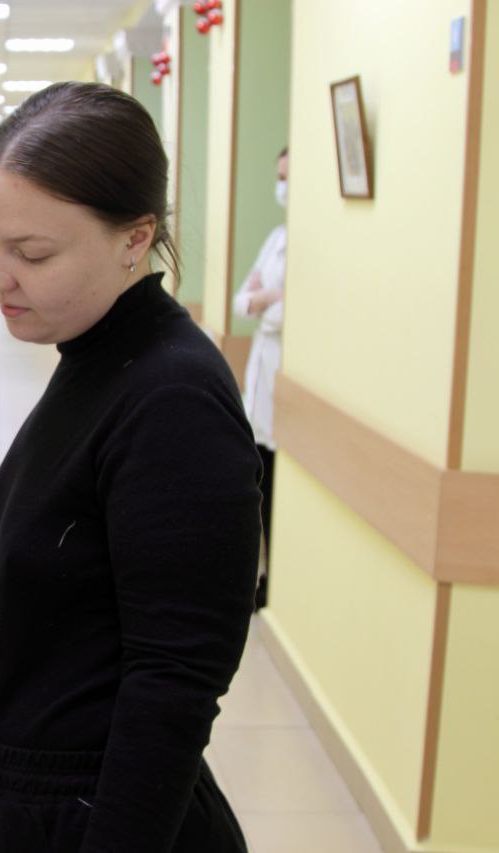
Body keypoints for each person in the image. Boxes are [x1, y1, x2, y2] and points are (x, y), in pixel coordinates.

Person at [0, 82, 261, 852]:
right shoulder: (97, 359)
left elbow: (172, 688)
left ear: (134, 239)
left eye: (31, 253)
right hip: (31, 804)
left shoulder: (172, 398)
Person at [232, 146, 288, 610]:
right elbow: (242, 302)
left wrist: (266, 300)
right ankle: (264, 574)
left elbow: (284, 314)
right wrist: (268, 298)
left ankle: (275, 582)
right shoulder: (277, 237)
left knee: (279, 490)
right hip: (263, 372)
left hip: (285, 379)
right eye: (279, 176)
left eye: (289, 177)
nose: (282, 186)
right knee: (262, 477)